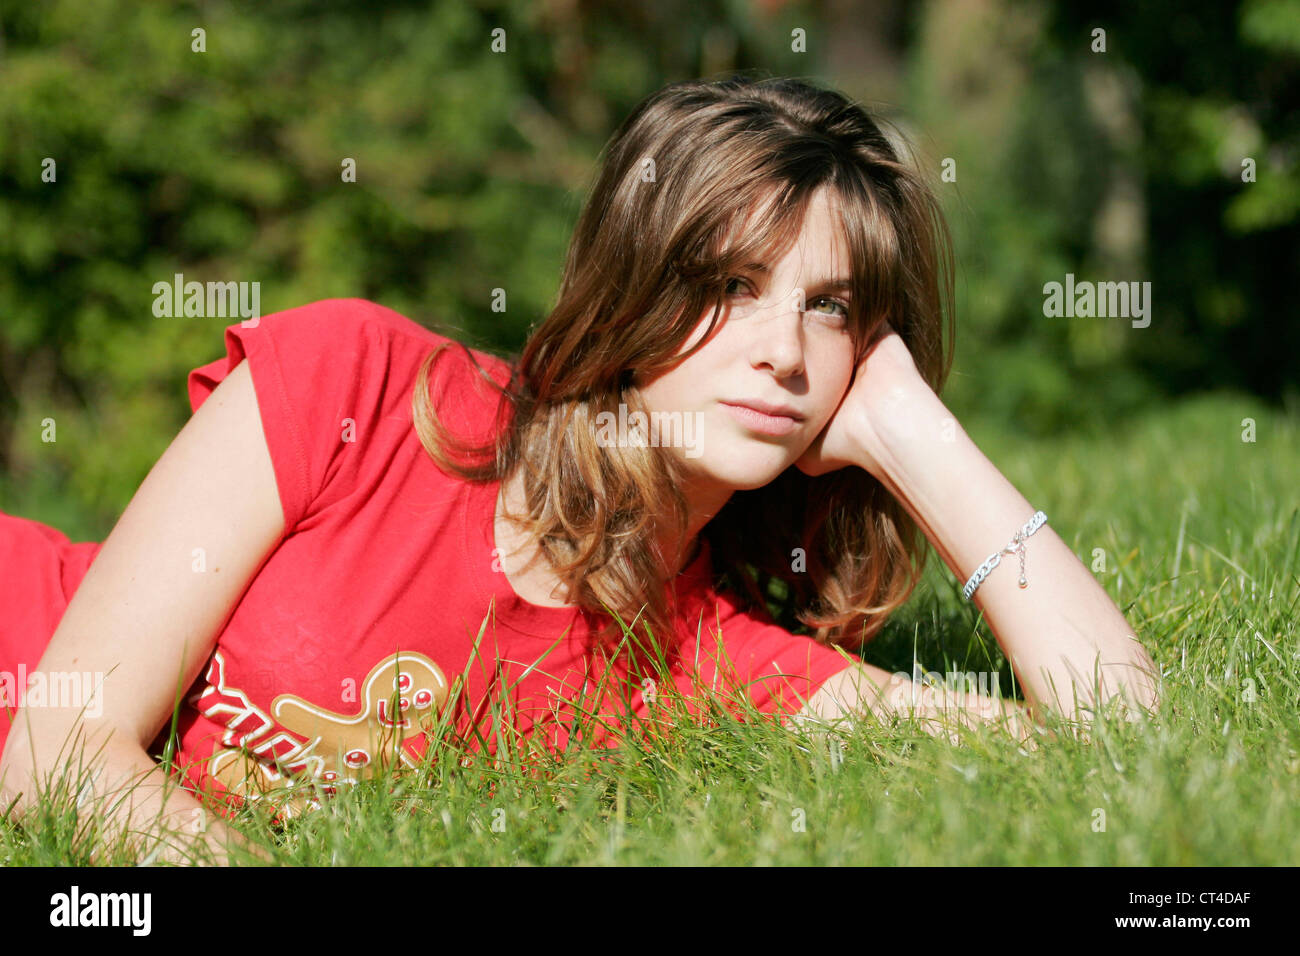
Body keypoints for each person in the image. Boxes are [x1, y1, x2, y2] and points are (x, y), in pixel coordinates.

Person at [0, 74, 1160, 865]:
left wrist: (919, 434)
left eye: (832, 307)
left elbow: (1118, 734)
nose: (782, 350)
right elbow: (55, 755)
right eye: (728, 284)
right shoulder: (361, 388)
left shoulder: (711, 668)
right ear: (634, 283)